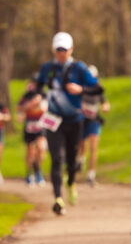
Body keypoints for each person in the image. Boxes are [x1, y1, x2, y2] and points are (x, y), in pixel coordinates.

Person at [36, 32, 97, 215]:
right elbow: (38, 85)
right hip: (54, 121)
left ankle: (70, 182)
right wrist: (39, 98)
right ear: (53, 50)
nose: (62, 53)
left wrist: (81, 89)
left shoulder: (79, 68)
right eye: (58, 49)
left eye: (65, 49)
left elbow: (97, 87)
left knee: (71, 160)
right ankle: (57, 198)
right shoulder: (48, 68)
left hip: (74, 120)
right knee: (56, 159)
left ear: (72, 49)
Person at [78, 65, 110, 186]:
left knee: (93, 147)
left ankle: (91, 175)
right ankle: (81, 159)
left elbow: (105, 102)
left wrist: (105, 107)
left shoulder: (98, 89)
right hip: (82, 120)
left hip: (94, 121)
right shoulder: (82, 88)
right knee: (82, 145)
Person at [16, 77, 47, 187]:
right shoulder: (25, 97)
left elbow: (44, 109)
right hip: (29, 127)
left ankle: (38, 171)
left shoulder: (44, 95)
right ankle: (29, 174)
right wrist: (31, 104)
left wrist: (35, 106)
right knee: (30, 152)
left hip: (40, 127)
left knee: (40, 149)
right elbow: (19, 109)